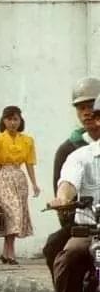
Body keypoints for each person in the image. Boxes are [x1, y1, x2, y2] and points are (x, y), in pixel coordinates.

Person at [48, 93, 100, 292]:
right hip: (88, 229)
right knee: (67, 256)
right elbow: (68, 182)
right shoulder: (80, 155)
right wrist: (62, 197)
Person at [43, 77, 100, 279]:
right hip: (83, 224)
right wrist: (63, 202)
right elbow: (65, 185)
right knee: (55, 249)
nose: (87, 112)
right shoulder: (70, 150)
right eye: (80, 107)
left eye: (91, 105)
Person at [0, 105, 40, 264]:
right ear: (3, 121)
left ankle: (6, 252)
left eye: (15, 119)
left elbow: (29, 163)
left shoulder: (28, 140)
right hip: (4, 177)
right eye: (9, 119)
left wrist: (35, 184)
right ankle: (11, 253)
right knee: (11, 213)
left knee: (17, 215)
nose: (12, 123)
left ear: (20, 120)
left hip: (20, 178)